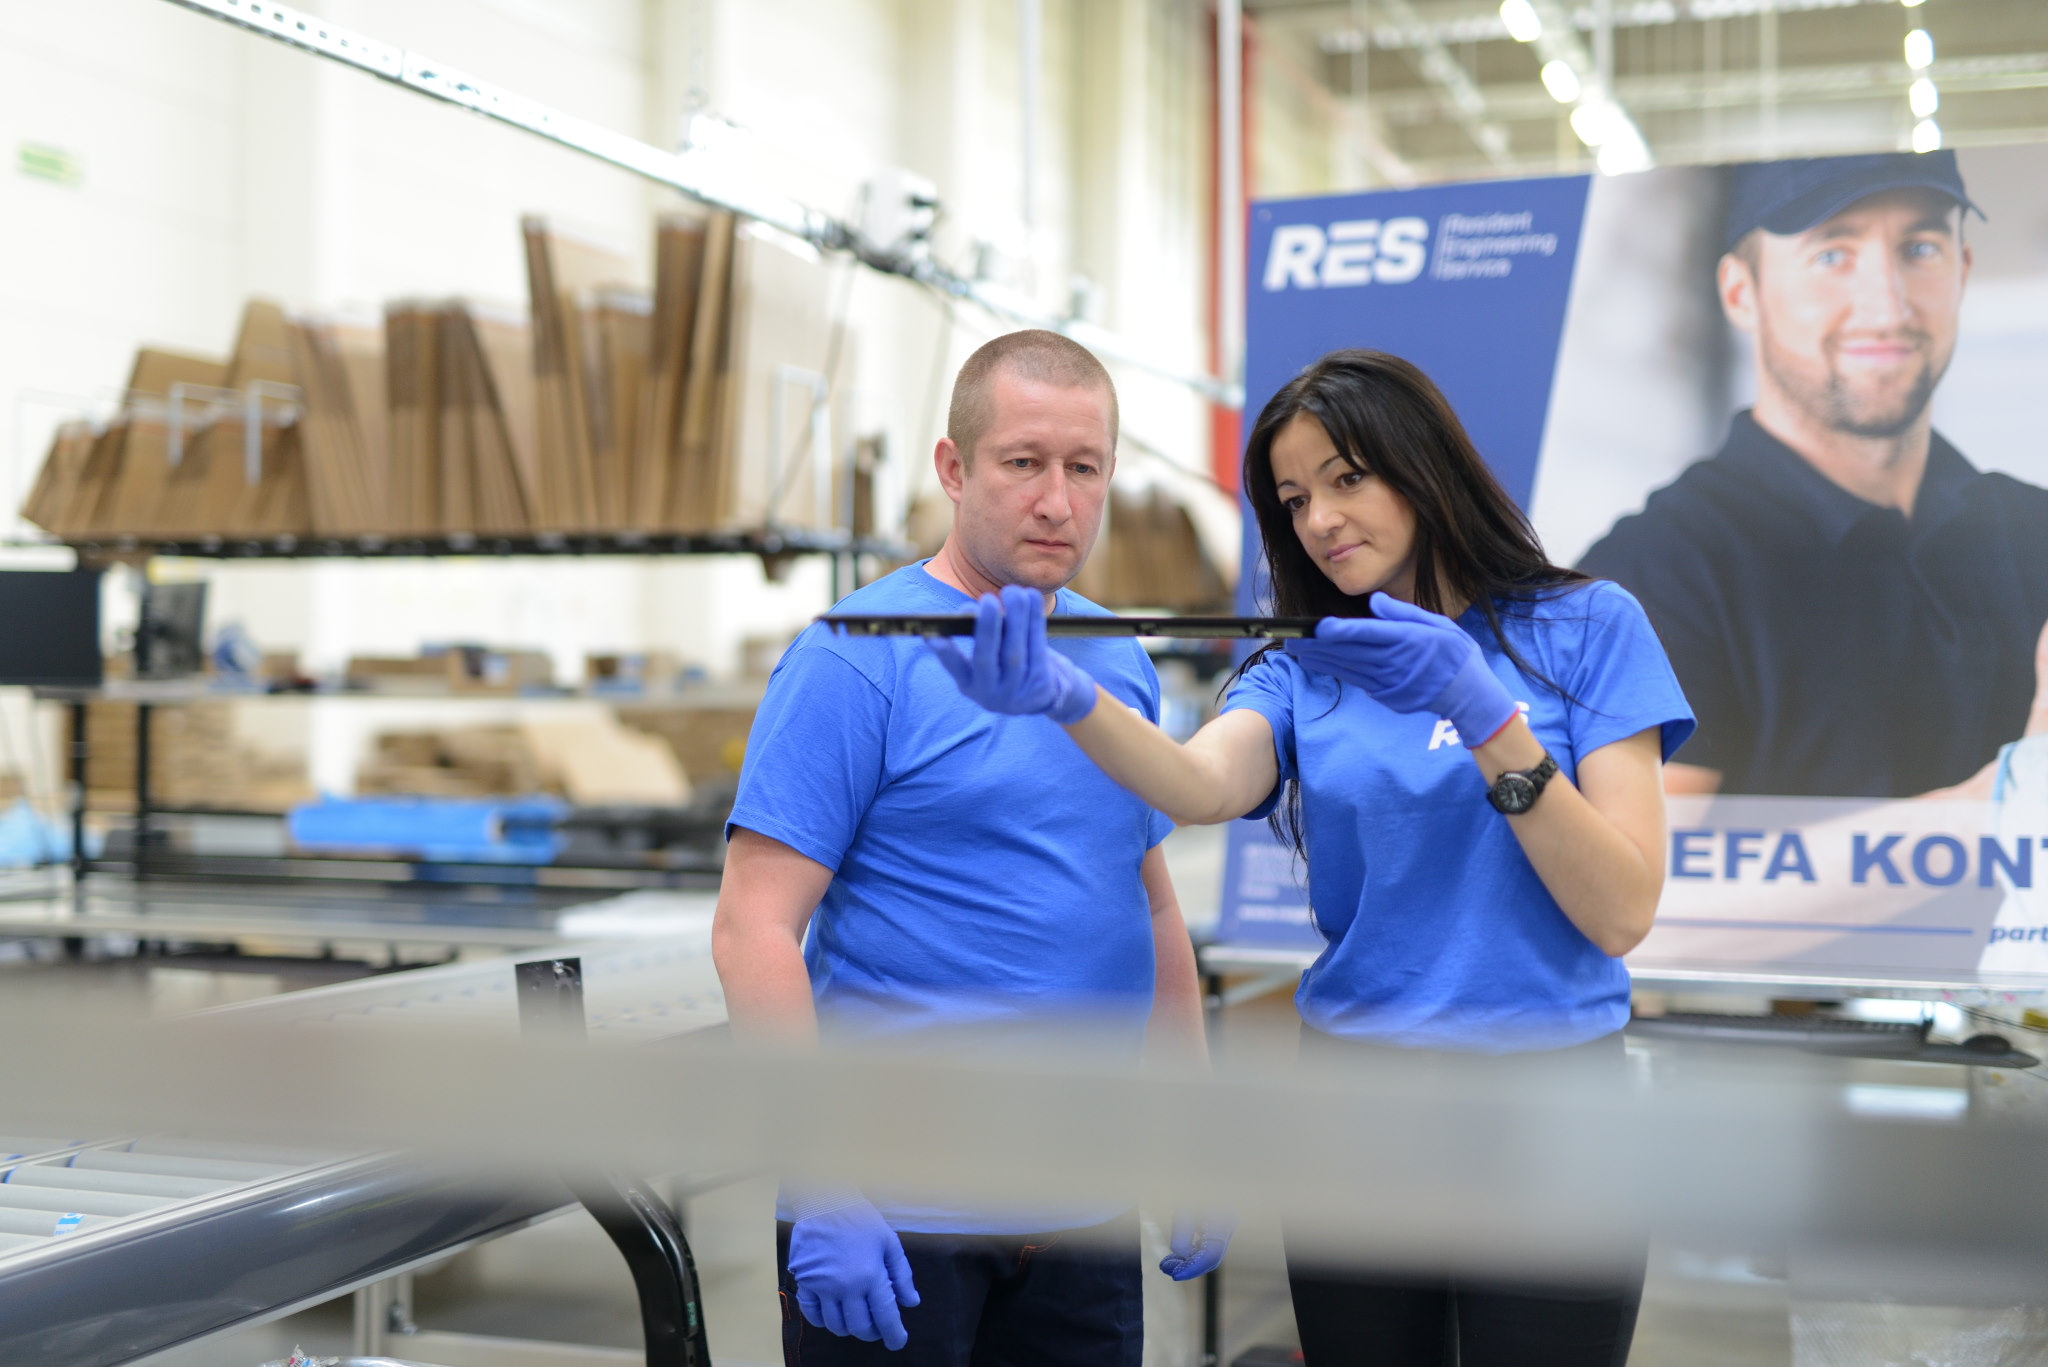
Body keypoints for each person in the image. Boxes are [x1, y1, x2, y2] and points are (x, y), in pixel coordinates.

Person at [933, 349, 1693, 1367]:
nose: (1321, 520)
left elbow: (1621, 909)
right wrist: (1069, 697)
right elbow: (1199, 783)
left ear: (1422, 467)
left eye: (1347, 478)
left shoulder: (1587, 627)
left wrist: (1484, 716)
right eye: (1294, 500)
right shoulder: (1303, 665)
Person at [711, 329, 1229, 1366]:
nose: (1056, 501)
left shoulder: (1113, 657)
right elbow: (752, 927)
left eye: (1084, 467)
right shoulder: (857, 658)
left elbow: (1148, 899)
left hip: (1082, 1207)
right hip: (901, 1217)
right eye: (1023, 463)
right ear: (954, 468)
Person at [1578, 150, 2048, 799]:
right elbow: (1646, 861)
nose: (1887, 307)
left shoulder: (2032, 530)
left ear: (1962, 271)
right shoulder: (1655, 572)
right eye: (1833, 255)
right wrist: (1995, 806)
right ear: (1741, 293)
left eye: (1920, 249)